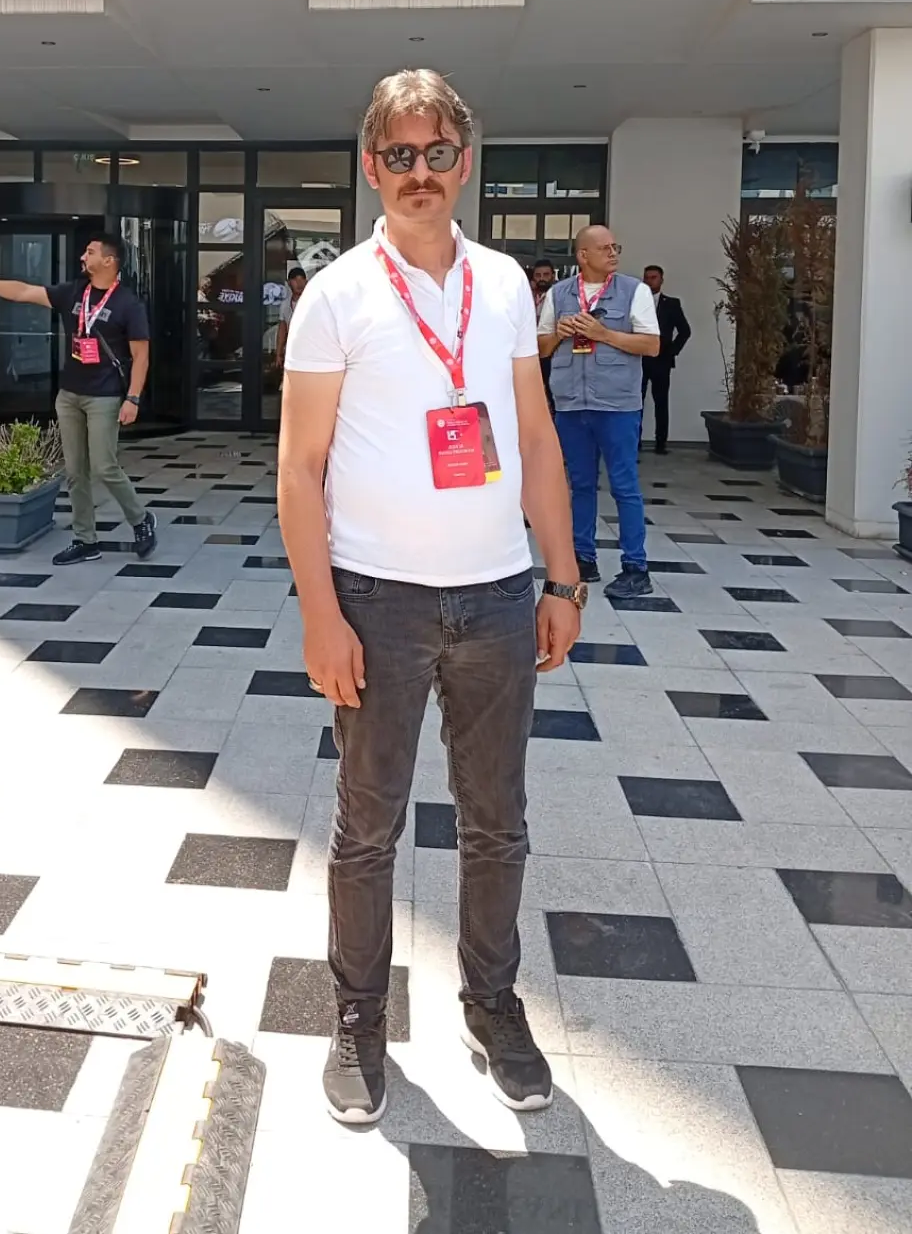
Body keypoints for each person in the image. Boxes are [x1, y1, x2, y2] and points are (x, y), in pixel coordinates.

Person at [279, 70, 584, 1126]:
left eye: (437, 153)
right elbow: (298, 467)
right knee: (367, 826)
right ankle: (358, 1018)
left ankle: (491, 1004)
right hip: (378, 601)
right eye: (400, 155)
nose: (420, 171)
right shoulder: (336, 295)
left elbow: (533, 436)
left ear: (464, 162)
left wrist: (560, 575)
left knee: (497, 820)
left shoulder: (503, 286)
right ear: (372, 167)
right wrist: (321, 613)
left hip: (496, 595)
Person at [0, 233, 156, 563]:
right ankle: (85, 539)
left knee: (104, 466)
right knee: (74, 471)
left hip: (104, 397)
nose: (82, 256)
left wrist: (133, 398)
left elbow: (141, 357)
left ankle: (141, 520)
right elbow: (23, 292)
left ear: (109, 261)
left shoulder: (128, 304)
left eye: (90, 252)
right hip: (69, 395)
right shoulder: (74, 292)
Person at [537, 226, 660, 598]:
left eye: (615, 246)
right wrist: (559, 333)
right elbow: (540, 348)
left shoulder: (635, 291)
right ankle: (582, 559)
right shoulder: (558, 294)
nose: (613, 253)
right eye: (604, 248)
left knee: (625, 486)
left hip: (617, 404)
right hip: (572, 404)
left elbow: (652, 345)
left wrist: (603, 333)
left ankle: (636, 567)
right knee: (580, 485)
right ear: (583, 255)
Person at [640, 265, 691, 456]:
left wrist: (672, 352)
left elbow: (685, 331)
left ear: (661, 280)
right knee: (636, 402)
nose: (649, 281)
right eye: (646, 278)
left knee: (661, 402)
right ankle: (634, 443)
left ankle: (661, 443)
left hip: (661, 361)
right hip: (639, 359)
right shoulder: (636, 303)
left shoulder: (671, 304)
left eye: (653, 277)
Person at [529, 260, 557, 409]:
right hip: (528, 350)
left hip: (549, 351)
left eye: (546, 275)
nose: (542, 279)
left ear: (553, 276)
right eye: (538, 275)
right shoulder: (526, 295)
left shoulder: (558, 296)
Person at [274, 264, 308, 374]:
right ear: (289, 283)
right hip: (292, 353)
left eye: (302, 280)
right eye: (295, 280)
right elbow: (282, 331)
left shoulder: (311, 302)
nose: (299, 283)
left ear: (306, 282)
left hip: (310, 353)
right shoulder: (285, 304)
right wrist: (279, 354)